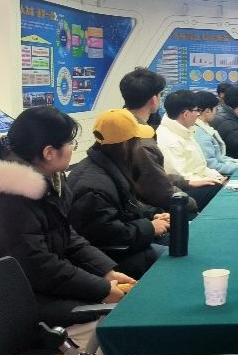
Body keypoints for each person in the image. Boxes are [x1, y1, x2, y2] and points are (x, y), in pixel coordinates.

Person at [0, 107, 133, 355]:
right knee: (115, 326)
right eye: (70, 142)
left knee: (117, 311)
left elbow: (67, 237)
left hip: (32, 289)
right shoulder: (8, 204)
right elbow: (40, 267)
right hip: (6, 305)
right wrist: (102, 290)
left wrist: (106, 271)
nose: (73, 148)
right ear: (49, 153)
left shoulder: (46, 184)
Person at [68, 109, 168, 278]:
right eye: (137, 141)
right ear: (125, 145)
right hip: (112, 260)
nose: (140, 147)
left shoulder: (107, 168)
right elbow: (107, 236)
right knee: (174, 256)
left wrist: (153, 216)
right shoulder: (93, 188)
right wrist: (150, 228)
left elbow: (126, 210)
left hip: (126, 245)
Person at [118, 68, 199, 213]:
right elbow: (158, 188)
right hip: (146, 209)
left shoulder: (118, 125)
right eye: (160, 95)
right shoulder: (140, 138)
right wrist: (192, 204)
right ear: (154, 99)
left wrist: (185, 182)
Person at [157, 90, 226, 210]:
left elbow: (200, 167)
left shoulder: (186, 131)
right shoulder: (169, 140)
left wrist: (216, 176)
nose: (198, 115)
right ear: (186, 114)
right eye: (196, 110)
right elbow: (179, 178)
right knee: (217, 190)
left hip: (196, 182)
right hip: (180, 193)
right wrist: (208, 180)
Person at [193, 90, 238, 176]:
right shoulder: (201, 135)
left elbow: (219, 157)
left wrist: (237, 162)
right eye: (216, 109)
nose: (217, 112)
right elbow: (212, 166)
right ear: (208, 111)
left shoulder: (204, 128)